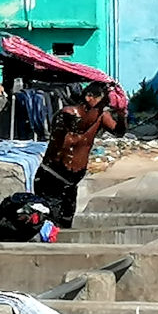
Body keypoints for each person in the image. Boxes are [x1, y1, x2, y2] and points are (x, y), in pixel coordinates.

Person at [34, 81, 127, 228]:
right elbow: (61, 134)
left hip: (72, 181)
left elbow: (119, 132)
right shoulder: (66, 115)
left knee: (66, 221)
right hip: (53, 176)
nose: (102, 109)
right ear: (89, 98)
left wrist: (122, 115)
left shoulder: (101, 117)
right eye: (101, 104)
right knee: (50, 220)